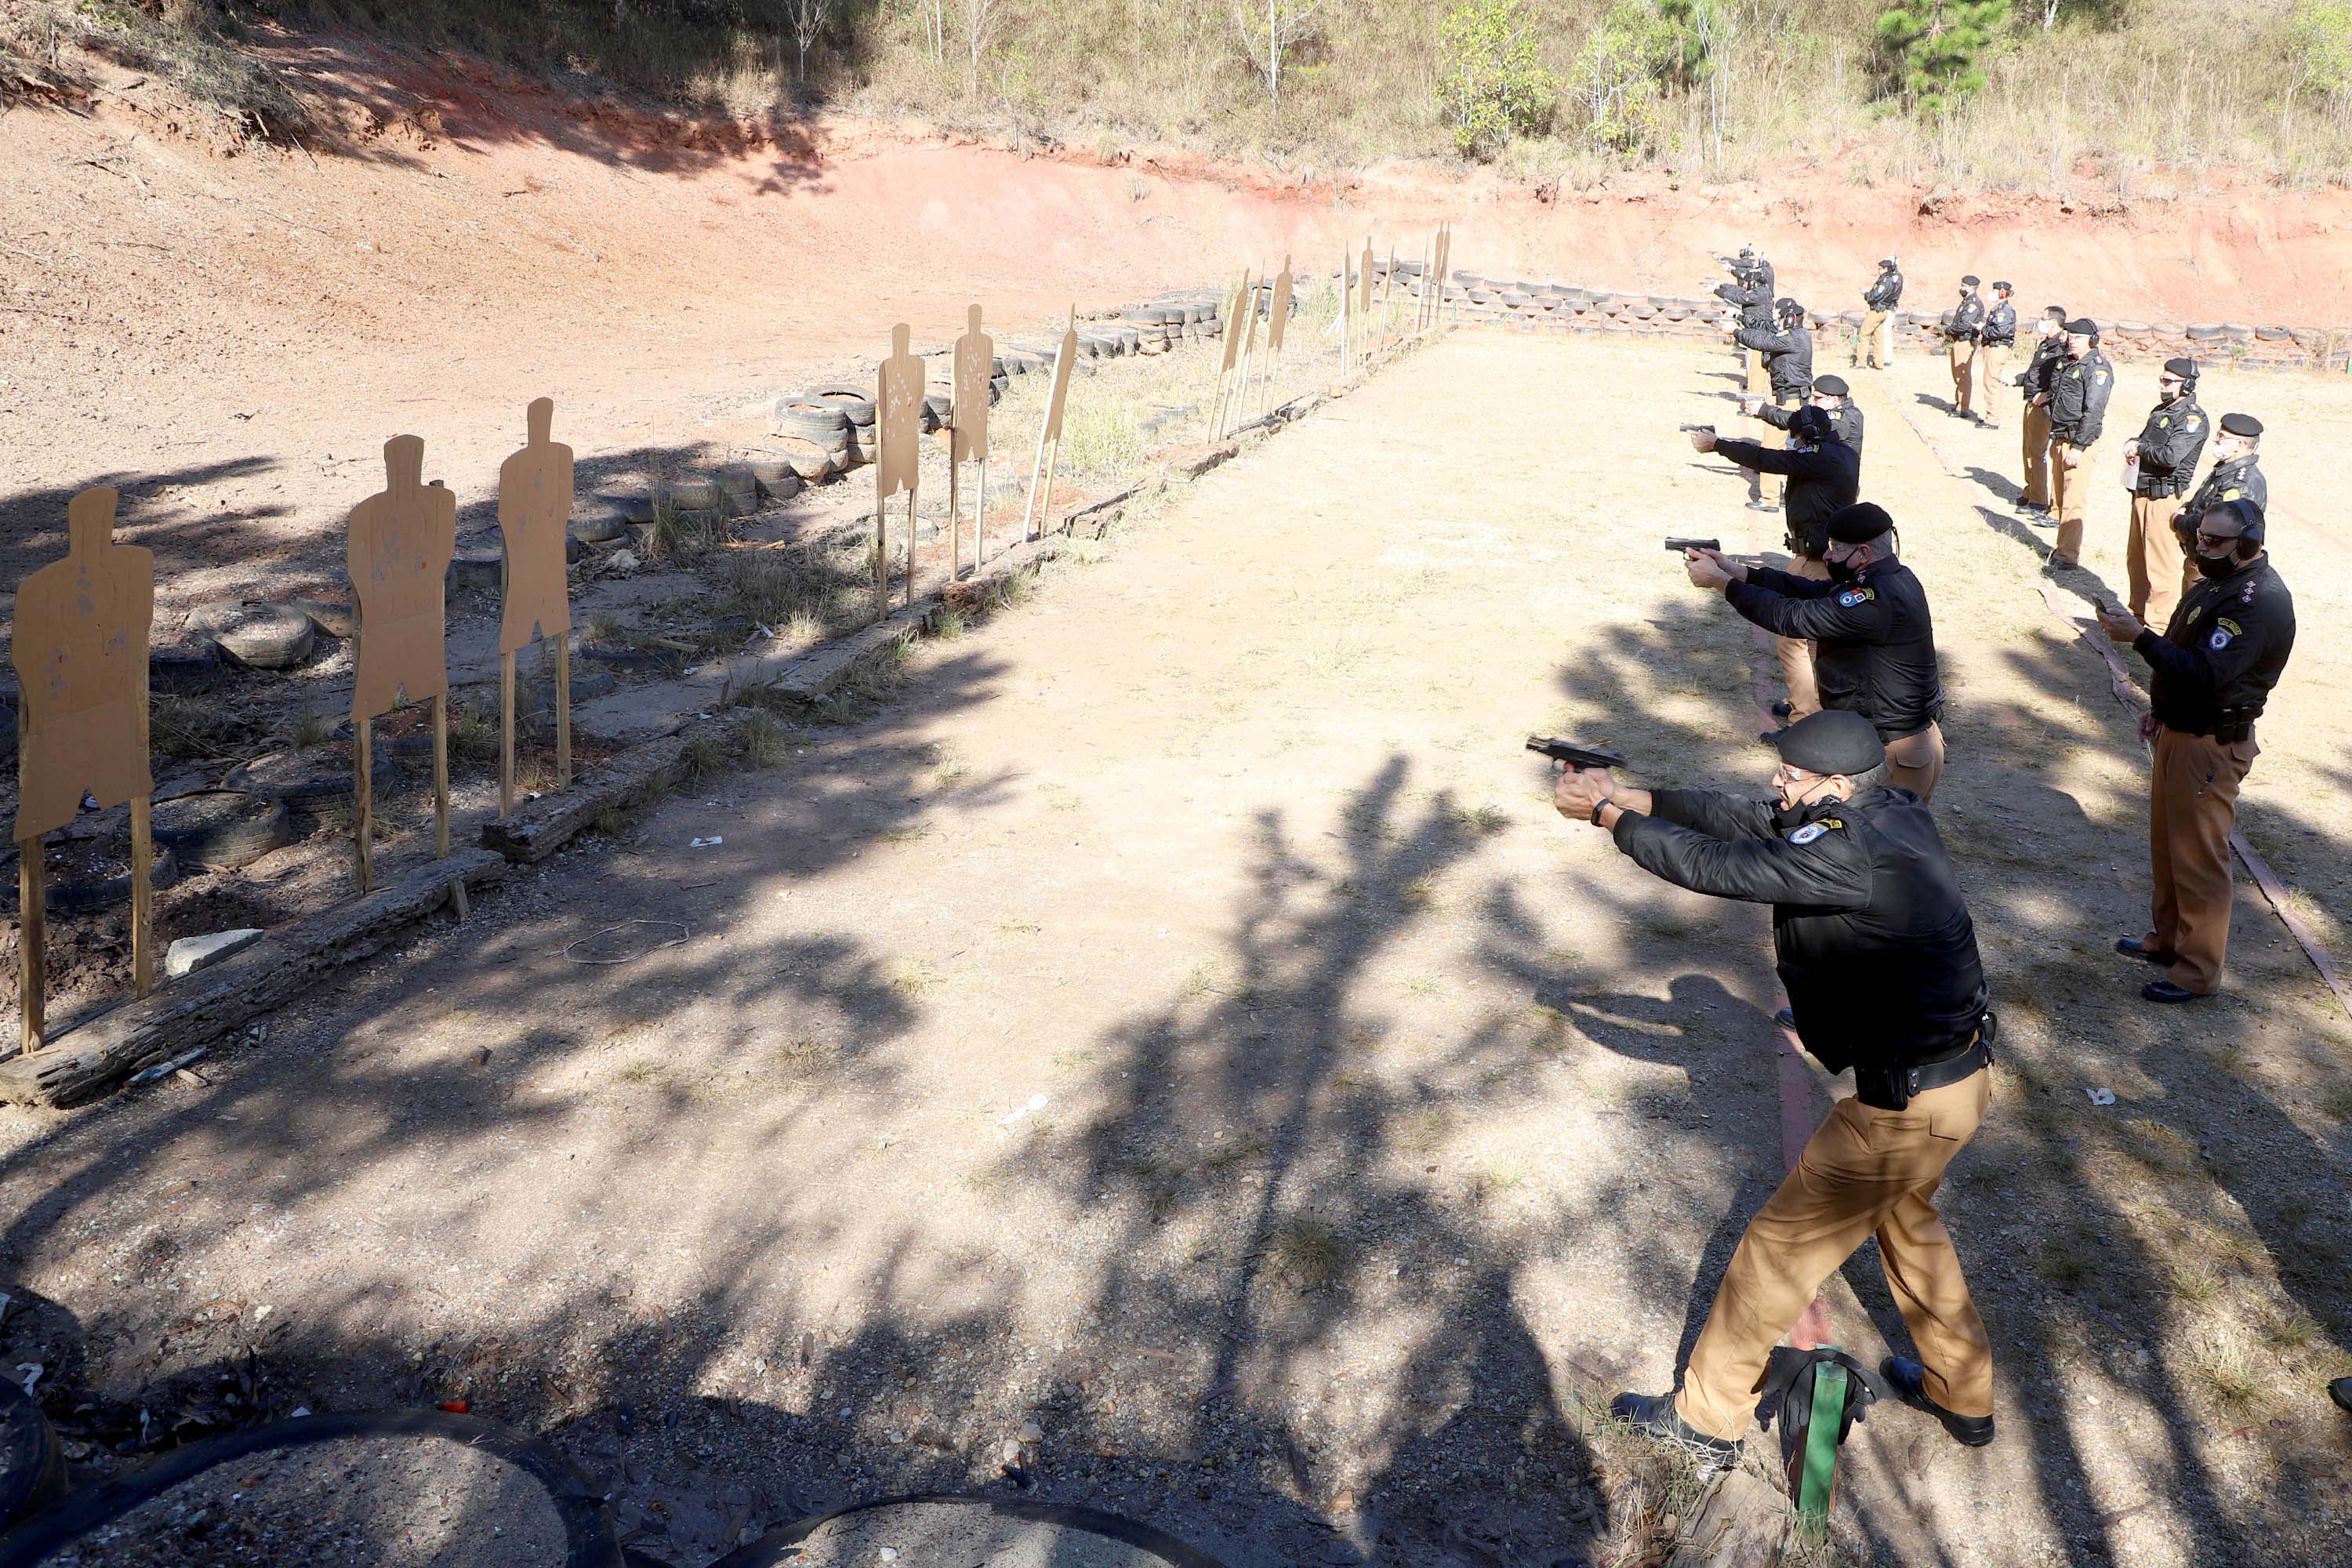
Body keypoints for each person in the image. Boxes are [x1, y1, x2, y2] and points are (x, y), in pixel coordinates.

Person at [1547, 710, 1998, 1458]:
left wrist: (1604, 815)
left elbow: (1716, 867)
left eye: (1791, 774)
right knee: (1907, 1223)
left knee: (1775, 1253)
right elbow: (1741, 817)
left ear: (1833, 785)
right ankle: (1962, 1391)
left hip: (1904, 1105)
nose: (1776, 782)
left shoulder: (1842, 856)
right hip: (1953, 1088)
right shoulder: (1885, 810)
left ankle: (1707, 1416)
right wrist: (1632, 793)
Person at [2095, 499, 2294, 1002]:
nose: (2200, 547)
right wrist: (2163, 708)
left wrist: (2139, 638)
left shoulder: (2255, 603)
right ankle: (2167, 942)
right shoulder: (2219, 583)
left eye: (2214, 541)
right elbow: (2187, 651)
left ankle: (2197, 970)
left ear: (2247, 545)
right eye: (2200, 537)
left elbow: (2208, 673)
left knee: (2199, 860)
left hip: (2209, 744)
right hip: (2181, 732)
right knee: (2168, 847)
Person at [1681, 503, 1947, 800]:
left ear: (1863, 553)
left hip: (1892, 753)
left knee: (1870, 843)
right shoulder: (1888, 578)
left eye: (1835, 548)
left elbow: (1790, 617)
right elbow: (1811, 592)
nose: (1827, 555)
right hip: (1896, 745)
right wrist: (1735, 570)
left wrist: (1721, 582)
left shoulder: (1875, 600)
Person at [1691, 407, 1859, 721]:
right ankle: (1806, 703)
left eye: (1794, 438)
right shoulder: (1836, 452)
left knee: (1796, 636)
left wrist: (1717, 444)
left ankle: (1806, 718)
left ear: (1808, 436)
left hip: (1818, 561)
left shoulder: (1821, 455)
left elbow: (1767, 459)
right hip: (1810, 556)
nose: (1790, 444)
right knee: (1802, 639)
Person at [2122, 358, 2209, 631]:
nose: (2163, 385)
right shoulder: (2161, 411)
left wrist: (2140, 448)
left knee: (2160, 564)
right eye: (2162, 379)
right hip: (2143, 491)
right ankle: (2136, 614)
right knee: (2136, 558)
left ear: (2187, 385)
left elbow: (2171, 456)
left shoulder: (2192, 418)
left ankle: (2158, 625)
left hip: (2164, 497)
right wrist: (2133, 443)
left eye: (2169, 381)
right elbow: (2145, 439)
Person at [1733, 298, 1817, 509]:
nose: (1777, 321)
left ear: (1789, 318)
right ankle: (1791, 495)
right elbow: (1765, 332)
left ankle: (1769, 499)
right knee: (1795, 450)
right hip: (1792, 398)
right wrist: (1739, 319)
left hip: (1787, 401)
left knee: (1771, 450)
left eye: (1780, 317)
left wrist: (1735, 332)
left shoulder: (1792, 338)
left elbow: (1762, 342)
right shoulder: (1798, 335)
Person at [2045, 318, 2114, 571]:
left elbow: (2093, 411)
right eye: (2071, 336)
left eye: (2078, 338)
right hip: (2061, 437)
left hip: (2077, 443)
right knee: (2062, 499)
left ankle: (2067, 555)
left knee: (2073, 501)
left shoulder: (2096, 370)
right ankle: (2062, 547)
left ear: (2092, 341)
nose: (2072, 341)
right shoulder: (2069, 363)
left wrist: (2079, 447)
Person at [2178, 414, 2267, 608]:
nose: (2216, 439)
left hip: (2215, 564)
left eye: (2222, 436)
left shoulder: (2239, 484)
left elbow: (2221, 528)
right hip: (2203, 557)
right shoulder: (2226, 469)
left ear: (2240, 445)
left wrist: (2179, 522)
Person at [2013, 306, 2068, 519]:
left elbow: (2058, 379)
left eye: (2044, 319)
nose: (2041, 321)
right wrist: (2018, 381)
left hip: (2041, 407)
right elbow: (2034, 372)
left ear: (2054, 322)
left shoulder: (2059, 348)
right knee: (2028, 450)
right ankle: (2030, 492)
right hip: (2031, 401)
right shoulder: (2046, 344)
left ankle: (2038, 499)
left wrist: (2046, 394)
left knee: (2037, 452)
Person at [1744, 372, 1863, 459]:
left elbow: (1796, 420)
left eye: (1817, 398)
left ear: (1835, 400)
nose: (1811, 401)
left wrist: (1764, 410)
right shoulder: (1845, 413)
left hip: (1834, 485)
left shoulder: (1845, 419)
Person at [1716, 254, 1774, 396]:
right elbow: (1740, 292)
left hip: (1758, 335)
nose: (1744, 285)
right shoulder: (1761, 290)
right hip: (1757, 332)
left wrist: (1716, 291)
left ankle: (1755, 396)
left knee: (1755, 365)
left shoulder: (1758, 294)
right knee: (1753, 365)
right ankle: (1755, 391)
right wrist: (1720, 286)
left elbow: (1740, 297)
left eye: (1747, 283)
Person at [1975, 282, 2016, 430]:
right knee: (1989, 381)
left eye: (1995, 290)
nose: (1992, 293)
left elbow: (2000, 331)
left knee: (1992, 382)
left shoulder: (2004, 311)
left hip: (1997, 347)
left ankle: (1993, 419)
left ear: (2003, 292)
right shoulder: (1999, 309)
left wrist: (1983, 329)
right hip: (1993, 347)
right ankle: (1990, 416)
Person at [1944, 276, 1986, 419]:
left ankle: (1964, 407)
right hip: (1959, 341)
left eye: (1963, 286)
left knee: (1963, 375)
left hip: (1965, 341)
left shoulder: (1973, 304)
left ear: (1970, 287)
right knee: (1957, 374)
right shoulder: (1966, 302)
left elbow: (1964, 325)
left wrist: (1949, 331)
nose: (1961, 288)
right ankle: (1959, 403)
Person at [1857, 257, 1902, 369]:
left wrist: (1866, 294)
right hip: (1884, 310)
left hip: (1877, 310)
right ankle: (1879, 363)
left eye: (1880, 268)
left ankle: (1861, 363)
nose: (1879, 270)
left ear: (1886, 269)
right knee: (1878, 337)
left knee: (1864, 334)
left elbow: (1875, 296)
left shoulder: (1884, 281)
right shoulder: (1893, 279)